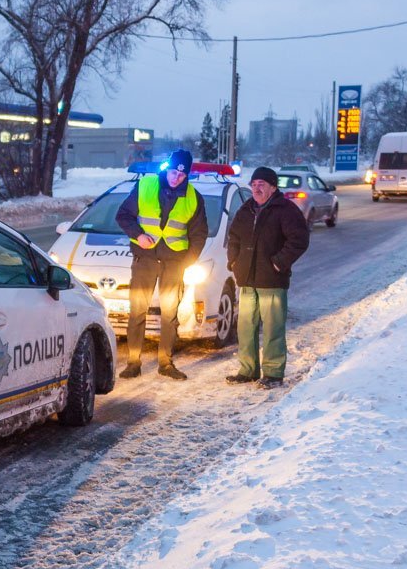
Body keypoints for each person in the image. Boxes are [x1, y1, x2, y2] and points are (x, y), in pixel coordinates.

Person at [114, 148, 208, 380]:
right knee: (138, 311)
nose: (176, 178)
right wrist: (138, 235)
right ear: (167, 168)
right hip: (145, 259)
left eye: (182, 174)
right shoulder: (145, 185)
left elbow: (199, 235)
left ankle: (166, 363)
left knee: (169, 314)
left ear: (187, 175)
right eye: (174, 172)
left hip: (173, 263)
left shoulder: (194, 198)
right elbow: (123, 215)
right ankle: (133, 363)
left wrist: (186, 262)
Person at [224, 166, 310, 389]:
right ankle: (248, 370)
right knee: (245, 327)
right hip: (246, 278)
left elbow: (299, 240)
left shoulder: (286, 210)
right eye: (253, 184)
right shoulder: (246, 209)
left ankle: (273, 373)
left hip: (272, 280)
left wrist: (278, 262)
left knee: (273, 329)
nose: (256, 188)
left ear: (273, 187)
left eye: (261, 184)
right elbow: (233, 237)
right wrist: (234, 261)